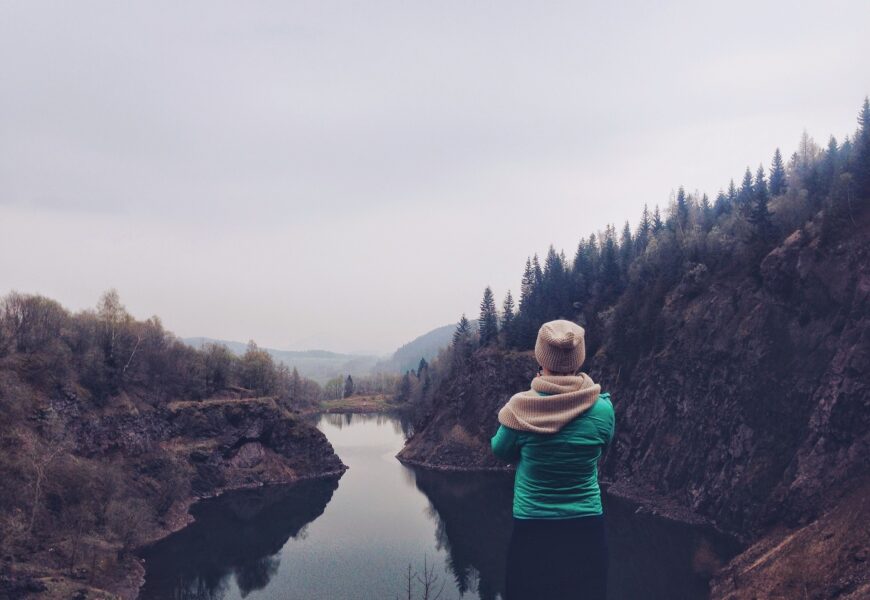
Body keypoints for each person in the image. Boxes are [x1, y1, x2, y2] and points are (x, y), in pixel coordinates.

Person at [491, 319, 615, 600]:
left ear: (540, 356)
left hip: (533, 530)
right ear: (579, 357)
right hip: (587, 531)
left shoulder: (519, 410)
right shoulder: (603, 409)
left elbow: (499, 450)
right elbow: (602, 445)